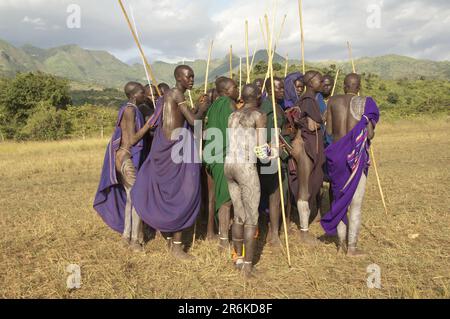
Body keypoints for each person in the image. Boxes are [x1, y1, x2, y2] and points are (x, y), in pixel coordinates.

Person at [132, 66, 210, 260]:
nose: (192, 79)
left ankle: (166, 237)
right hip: (174, 151)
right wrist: (204, 107)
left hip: (167, 149)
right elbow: (193, 122)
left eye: (193, 75)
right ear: (178, 78)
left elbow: (179, 118)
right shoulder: (176, 93)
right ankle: (176, 247)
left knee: (172, 193)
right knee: (184, 195)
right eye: (188, 76)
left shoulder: (170, 95)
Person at [93, 82, 158, 252]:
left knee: (131, 198)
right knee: (136, 198)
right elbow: (132, 140)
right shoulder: (130, 110)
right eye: (143, 93)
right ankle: (135, 241)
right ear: (134, 95)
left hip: (122, 158)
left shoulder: (126, 108)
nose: (145, 96)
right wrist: (148, 125)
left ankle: (126, 236)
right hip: (126, 159)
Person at [321, 73, 379, 257]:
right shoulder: (366, 103)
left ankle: (340, 246)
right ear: (358, 87)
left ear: (344, 86)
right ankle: (352, 248)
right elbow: (369, 135)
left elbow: (329, 131)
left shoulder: (332, 101)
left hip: (337, 157)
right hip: (356, 158)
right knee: (356, 205)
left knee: (339, 202)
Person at [225, 84, 273, 277]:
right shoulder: (259, 115)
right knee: (251, 218)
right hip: (245, 167)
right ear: (259, 97)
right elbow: (262, 153)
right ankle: (247, 266)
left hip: (229, 165)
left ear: (243, 97)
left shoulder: (233, 115)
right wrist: (275, 152)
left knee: (238, 214)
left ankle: (237, 259)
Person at [203, 77, 239, 250]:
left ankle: (222, 233)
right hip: (224, 155)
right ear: (227, 90)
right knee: (226, 198)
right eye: (235, 87)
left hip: (212, 156)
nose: (237, 90)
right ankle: (223, 240)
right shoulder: (228, 105)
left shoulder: (213, 106)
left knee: (219, 195)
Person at [290, 71, 325, 246]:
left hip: (308, 144)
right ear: (311, 82)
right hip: (306, 146)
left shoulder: (308, 99)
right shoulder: (308, 100)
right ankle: (304, 233)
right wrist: (319, 120)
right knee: (305, 188)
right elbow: (316, 120)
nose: (322, 81)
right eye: (319, 79)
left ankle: (305, 226)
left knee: (310, 184)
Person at [258, 77, 290, 248]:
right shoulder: (267, 108)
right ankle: (274, 234)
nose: (282, 91)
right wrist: (274, 154)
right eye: (279, 88)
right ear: (270, 89)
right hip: (271, 156)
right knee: (274, 195)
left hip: (276, 154)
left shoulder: (277, 106)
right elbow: (266, 135)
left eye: (283, 88)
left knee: (276, 195)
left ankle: (272, 231)